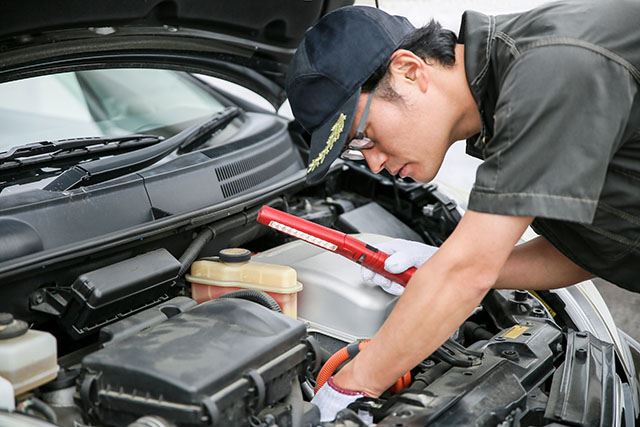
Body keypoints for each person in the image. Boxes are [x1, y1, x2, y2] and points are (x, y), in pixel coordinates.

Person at [285, 0, 640, 422]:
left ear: (408, 70)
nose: (375, 164)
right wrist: (444, 263)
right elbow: (586, 251)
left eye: (362, 138)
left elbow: (466, 272)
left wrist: (353, 385)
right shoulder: (510, 97)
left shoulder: (547, 72)